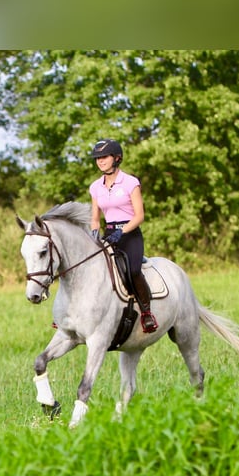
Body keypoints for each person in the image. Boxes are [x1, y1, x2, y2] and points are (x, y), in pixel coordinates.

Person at [89, 139, 159, 333]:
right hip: (109, 234)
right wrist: (94, 234)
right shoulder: (95, 187)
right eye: (97, 158)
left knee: (133, 270)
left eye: (104, 157)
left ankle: (146, 312)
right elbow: (95, 218)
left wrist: (122, 232)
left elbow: (140, 216)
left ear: (116, 158)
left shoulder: (130, 182)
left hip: (130, 234)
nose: (100, 161)